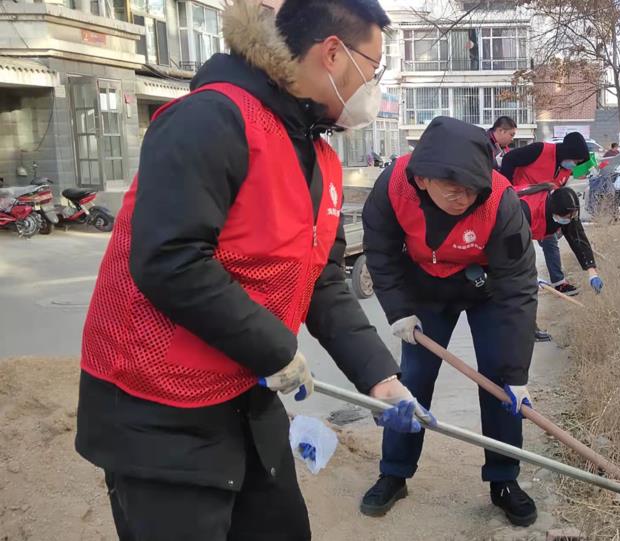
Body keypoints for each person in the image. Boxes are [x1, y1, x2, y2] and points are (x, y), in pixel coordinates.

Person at [74, 2, 431, 540]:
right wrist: (276, 348)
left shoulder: (319, 156)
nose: (374, 85)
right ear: (332, 53)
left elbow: (322, 279)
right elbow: (171, 259)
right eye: (372, 68)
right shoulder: (211, 119)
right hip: (156, 407)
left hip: (246, 392)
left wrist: (380, 378)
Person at [359, 116, 539, 527]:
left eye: (472, 188)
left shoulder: (501, 201)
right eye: (452, 189)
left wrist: (516, 372)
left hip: (487, 291)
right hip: (424, 292)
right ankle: (394, 473)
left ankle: (504, 481)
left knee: (500, 386)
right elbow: (381, 252)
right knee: (413, 382)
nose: (464, 198)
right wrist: (398, 310)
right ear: (422, 180)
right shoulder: (394, 187)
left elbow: (517, 288)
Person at [500, 132, 590, 296]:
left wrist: (589, 265)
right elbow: (509, 160)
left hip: (545, 210)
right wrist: (506, 190)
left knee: (550, 240)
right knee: (518, 244)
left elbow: (559, 191)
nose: (575, 165)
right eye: (575, 161)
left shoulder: (565, 169)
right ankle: (520, 282)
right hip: (520, 206)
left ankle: (559, 282)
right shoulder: (540, 150)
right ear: (568, 153)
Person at [516, 183, 604, 295]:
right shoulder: (525, 210)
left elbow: (577, 237)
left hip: (537, 228)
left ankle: (559, 283)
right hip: (503, 229)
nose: (570, 219)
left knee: (551, 242)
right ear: (554, 213)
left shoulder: (566, 206)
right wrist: (528, 276)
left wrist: (592, 272)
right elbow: (513, 248)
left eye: (572, 216)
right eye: (567, 217)